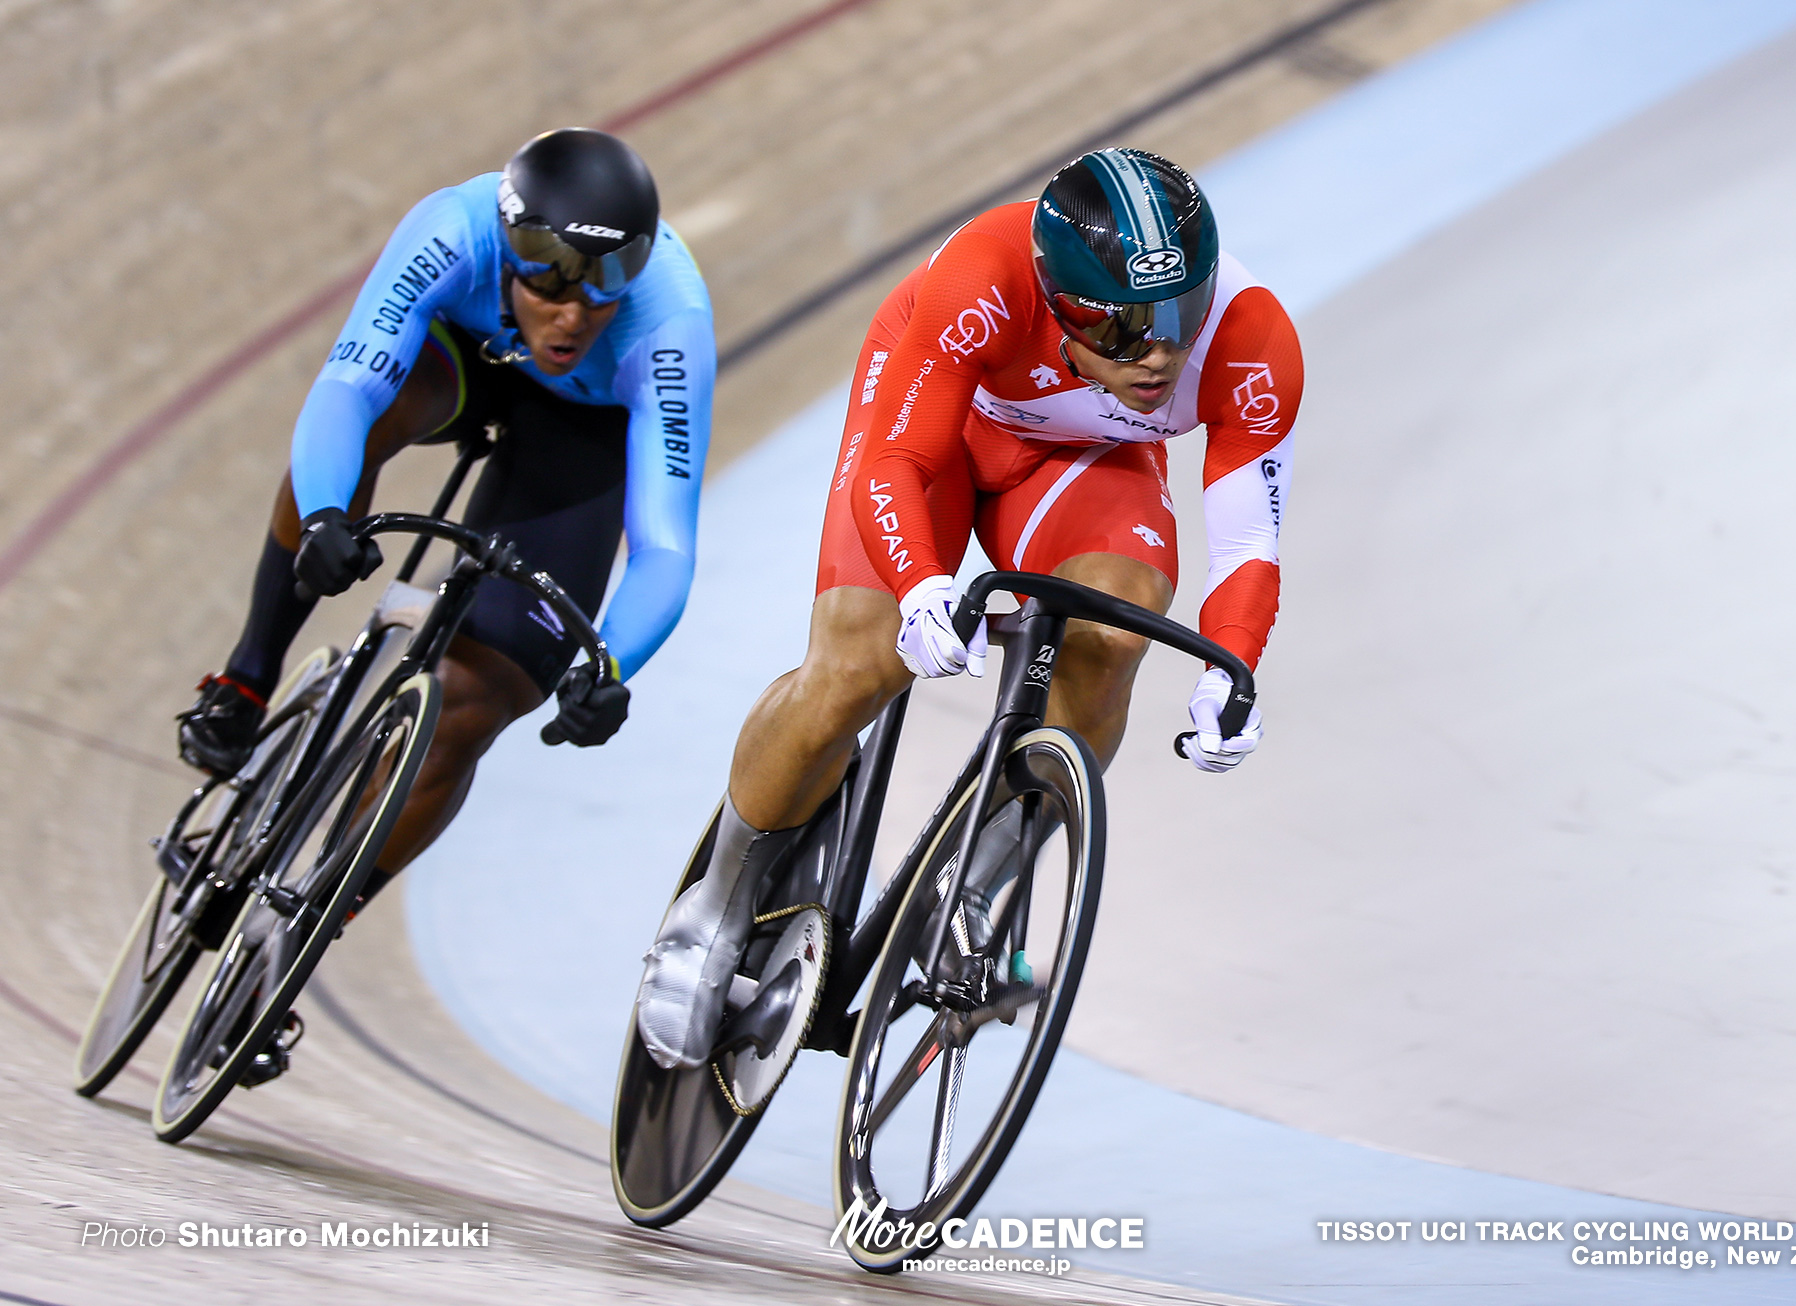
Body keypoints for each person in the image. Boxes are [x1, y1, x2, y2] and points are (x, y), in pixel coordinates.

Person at [634, 147, 1299, 1069]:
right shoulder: (986, 274)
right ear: (1058, 302)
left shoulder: (1252, 342)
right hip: (935, 433)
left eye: (1179, 313)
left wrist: (1234, 667)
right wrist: (918, 588)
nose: (1158, 352)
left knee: (1115, 629)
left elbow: (1248, 546)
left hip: (1082, 456)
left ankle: (981, 879)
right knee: (859, 667)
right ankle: (714, 907)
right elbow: (897, 462)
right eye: (1123, 329)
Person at [177, 126, 715, 926]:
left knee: (476, 699)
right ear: (509, 248)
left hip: (582, 432)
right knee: (359, 433)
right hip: (462, 360)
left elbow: (665, 546)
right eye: (550, 285)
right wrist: (327, 512)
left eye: (603, 288)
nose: (572, 316)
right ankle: (247, 676)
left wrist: (610, 662)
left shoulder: (668, 326)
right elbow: (347, 389)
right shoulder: (452, 230)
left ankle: (313, 920)